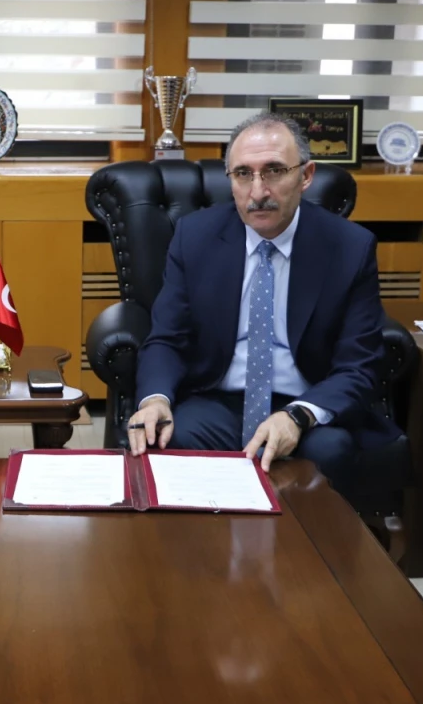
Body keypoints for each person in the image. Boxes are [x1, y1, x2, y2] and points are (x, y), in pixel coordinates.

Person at [126, 112, 397, 492]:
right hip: (218, 399)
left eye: (274, 171)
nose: (258, 192)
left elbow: (359, 365)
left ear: (305, 176)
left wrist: (297, 416)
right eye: (243, 174)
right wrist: (155, 400)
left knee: (331, 453)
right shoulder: (195, 237)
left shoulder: (349, 248)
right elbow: (167, 338)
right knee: (167, 438)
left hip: (308, 403)